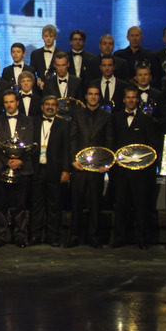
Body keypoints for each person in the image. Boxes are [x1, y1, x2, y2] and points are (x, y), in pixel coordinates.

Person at [109, 86, 158, 249]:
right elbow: (111, 141)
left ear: (138, 100)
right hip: (120, 171)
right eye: (128, 97)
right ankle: (119, 237)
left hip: (140, 172)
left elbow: (151, 146)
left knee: (140, 206)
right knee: (120, 205)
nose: (131, 100)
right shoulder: (115, 118)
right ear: (124, 100)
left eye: (133, 97)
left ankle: (142, 238)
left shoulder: (146, 120)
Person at [68, 85, 112, 247]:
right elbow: (72, 138)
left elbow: (109, 141)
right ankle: (74, 236)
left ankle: (93, 237)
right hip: (79, 166)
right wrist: (73, 160)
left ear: (99, 97)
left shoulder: (106, 116)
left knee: (95, 203)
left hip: (97, 167)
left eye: (96, 94)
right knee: (76, 203)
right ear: (85, 96)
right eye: (90, 94)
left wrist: (106, 163)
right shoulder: (77, 115)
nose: (93, 97)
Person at [0, 91, 35, 247]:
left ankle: (20, 237)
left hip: (23, 169)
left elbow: (30, 143)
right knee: (1, 205)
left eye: (11, 101)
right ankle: (0, 236)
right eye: (6, 102)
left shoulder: (28, 121)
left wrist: (19, 161)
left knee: (21, 205)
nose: (9, 105)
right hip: (1, 167)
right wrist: (8, 161)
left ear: (17, 102)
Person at [29, 95, 70, 246]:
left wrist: (66, 170)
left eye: (53, 105)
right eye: (47, 104)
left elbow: (67, 149)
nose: (50, 107)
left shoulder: (63, 124)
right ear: (42, 107)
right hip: (36, 168)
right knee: (36, 205)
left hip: (55, 169)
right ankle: (36, 235)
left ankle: (53, 237)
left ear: (57, 108)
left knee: (54, 205)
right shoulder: (33, 122)